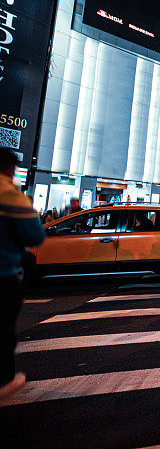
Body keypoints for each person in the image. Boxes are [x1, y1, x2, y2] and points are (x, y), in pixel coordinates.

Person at [0, 148, 46, 405]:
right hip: (3, 275)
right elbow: (35, 237)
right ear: (10, 169)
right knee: (3, 331)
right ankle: (4, 382)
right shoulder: (10, 195)